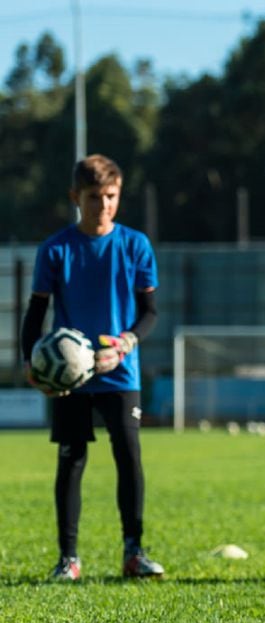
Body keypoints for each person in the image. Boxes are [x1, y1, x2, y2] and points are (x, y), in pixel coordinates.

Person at [20, 154, 165, 582]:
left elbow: (151, 312)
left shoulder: (136, 245)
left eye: (111, 196)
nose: (103, 205)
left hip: (121, 371)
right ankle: (69, 560)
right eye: (94, 197)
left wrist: (127, 342)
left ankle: (133, 553)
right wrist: (32, 364)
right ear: (75, 198)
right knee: (71, 460)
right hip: (70, 377)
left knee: (129, 457)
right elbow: (35, 314)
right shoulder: (56, 249)